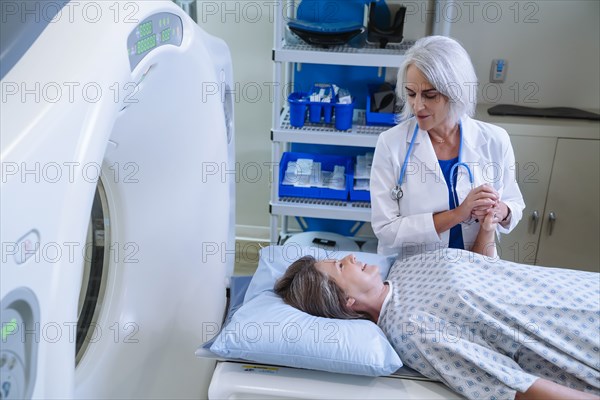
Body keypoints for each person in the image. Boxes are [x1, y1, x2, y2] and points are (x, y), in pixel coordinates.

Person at [274, 219, 600, 400]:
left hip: (576, 289)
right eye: (341, 267)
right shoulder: (412, 328)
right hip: (575, 336)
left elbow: (483, 272)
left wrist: (486, 227)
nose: (352, 257)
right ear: (348, 302)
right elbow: (514, 386)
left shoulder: (403, 268)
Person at [370, 35, 525, 257]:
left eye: (430, 95)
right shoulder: (391, 144)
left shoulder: (495, 140)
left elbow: (514, 202)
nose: (417, 105)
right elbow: (386, 229)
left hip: (478, 261)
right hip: (418, 267)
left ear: (456, 93)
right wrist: (459, 214)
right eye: (411, 94)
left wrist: (503, 211)